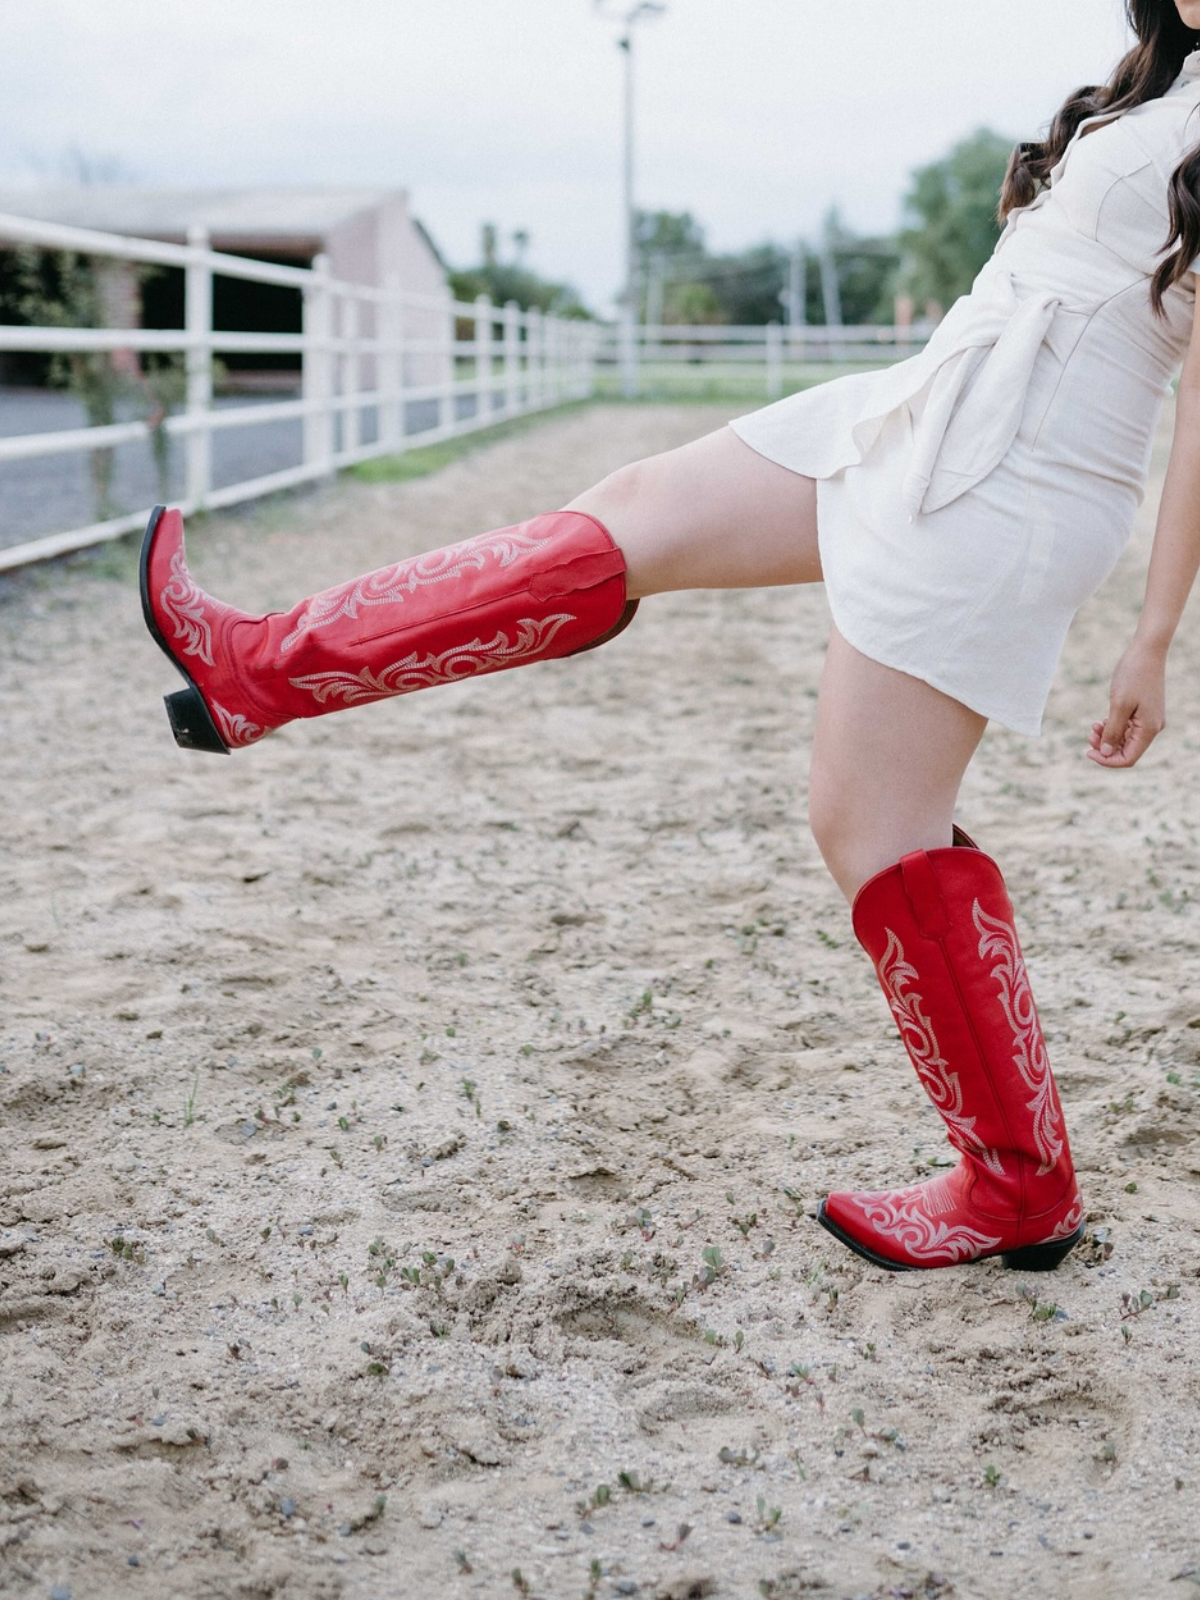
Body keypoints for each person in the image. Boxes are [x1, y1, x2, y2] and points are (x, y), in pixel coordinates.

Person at [139, 0, 1200, 1274]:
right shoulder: (1158, 89)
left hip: (1018, 479)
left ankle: (1017, 1187)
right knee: (632, 510)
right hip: (926, 401)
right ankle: (257, 669)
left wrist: (1151, 631)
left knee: (869, 819)